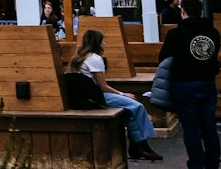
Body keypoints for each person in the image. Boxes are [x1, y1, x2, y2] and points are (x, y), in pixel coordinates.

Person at [65, 30, 162, 161]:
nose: (105, 43)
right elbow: (103, 87)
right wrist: (123, 94)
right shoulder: (95, 59)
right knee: (137, 106)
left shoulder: (77, 57)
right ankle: (141, 147)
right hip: (95, 98)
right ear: (97, 43)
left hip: (83, 97)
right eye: (103, 40)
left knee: (131, 111)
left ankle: (139, 147)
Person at [157, 0, 220, 169]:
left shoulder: (176, 34)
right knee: (209, 128)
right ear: (200, 11)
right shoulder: (213, 33)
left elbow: (163, 58)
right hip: (208, 83)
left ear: (182, 11)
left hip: (184, 85)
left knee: (191, 129)